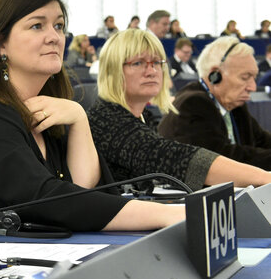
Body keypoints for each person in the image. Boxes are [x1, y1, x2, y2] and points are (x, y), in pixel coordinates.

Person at [0, 0, 184, 232]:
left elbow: (85, 192)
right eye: (37, 26)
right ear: (0, 44)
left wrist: (79, 118)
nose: (54, 37)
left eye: (59, 26)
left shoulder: (50, 110)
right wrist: (168, 214)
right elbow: (48, 201)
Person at [87, 29, 271, 191]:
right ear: (112, 70)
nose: (151, 71)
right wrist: (265, 178)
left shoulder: (145, 117)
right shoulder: (107, 118)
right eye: (138, 63)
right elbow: (174, 158)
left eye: (157, 62)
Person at [159, 36, 271, 170]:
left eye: (254, 78)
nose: (252, 87)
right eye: (245, 77)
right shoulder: (193, 104)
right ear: (215, 76)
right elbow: (222, 159)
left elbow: (262, 140)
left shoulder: (235, 107)